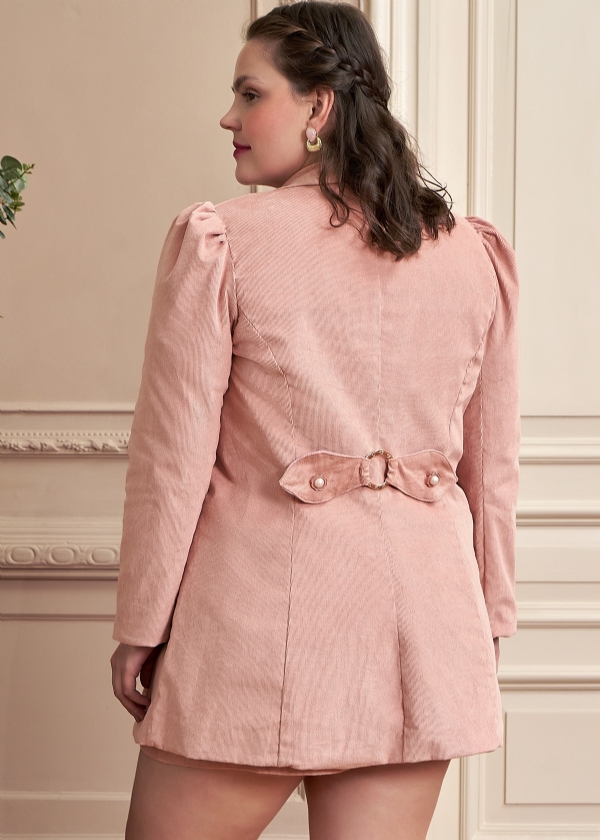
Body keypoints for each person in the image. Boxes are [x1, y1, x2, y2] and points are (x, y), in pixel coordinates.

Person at [110, 2, 520, 838]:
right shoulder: (470, 252)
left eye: (250, 93)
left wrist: (141, 627)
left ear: (319, 106)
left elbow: (172, 461)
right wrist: (489, 620)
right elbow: (493, 470)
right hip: (424, 633)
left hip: (255, 632)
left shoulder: (224, 242)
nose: (229, 117)